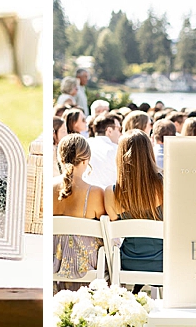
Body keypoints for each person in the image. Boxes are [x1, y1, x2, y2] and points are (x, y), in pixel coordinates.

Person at [103, 130, 164, 276]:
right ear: (149, 153)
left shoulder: (111, 193)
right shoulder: (165, 185)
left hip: (128, 262)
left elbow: (115, 226)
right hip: (162, 261)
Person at [52, 134, 106, 290]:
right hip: (84, 264)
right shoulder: (95, 193)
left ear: (61, 159)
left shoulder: (48, 188)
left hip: (53, 260)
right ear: (85, 160)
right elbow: (104, 232)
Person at [84, 113, 120, 189]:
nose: (121, 133)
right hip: (109, 197)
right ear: (109, 131)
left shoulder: (84, 145)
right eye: (119, 129)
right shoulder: (116, 150)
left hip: (87, 196)